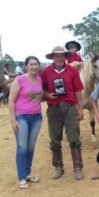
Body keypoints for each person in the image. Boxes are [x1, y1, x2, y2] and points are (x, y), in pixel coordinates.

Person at [41, 46, 85, 180]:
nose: (60, 58)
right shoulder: (46, 72)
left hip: (70, 108)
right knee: (54, 139)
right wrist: (48, 94)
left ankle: (78, 167)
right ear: (53, 57)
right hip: (54, 109)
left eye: (62, 56)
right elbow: (41, 90)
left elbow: (78, 90)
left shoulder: (72, 71)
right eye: (57, 56)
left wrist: (80, 108)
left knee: (74, 138)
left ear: (65, 57)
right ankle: (58, 167)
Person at [9, 56, 43, 189]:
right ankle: (21, 177)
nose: (34, 66)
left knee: (30, 147)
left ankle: (27, 174)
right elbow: (11, 100)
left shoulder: (39, 79)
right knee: (22, 147)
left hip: (36, 118)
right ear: (26, 66)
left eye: (36, 64)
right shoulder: (19, 79)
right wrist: (13, 120)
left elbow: (38, 95)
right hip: (21, 117)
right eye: (31, 64)